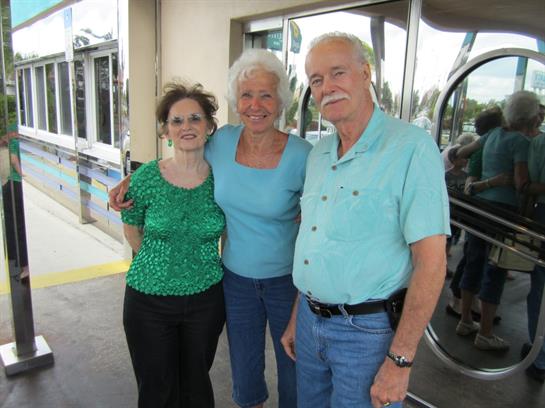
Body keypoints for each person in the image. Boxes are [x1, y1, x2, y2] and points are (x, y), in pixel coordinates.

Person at [111, 49, 312, 408]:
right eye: (247, 95)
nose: (255, 104)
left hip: (278, 282)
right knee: (242, 375)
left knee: (293, 371)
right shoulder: (221, 144)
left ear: (280, 99)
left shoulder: (301, 155)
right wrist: (130, 180)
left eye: (265, 94)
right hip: (229, 282)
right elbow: (173, 162)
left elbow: (323, 201)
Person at [280, 32, 450, 408]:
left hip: (368, 334)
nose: (328, 87)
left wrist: (400, 359)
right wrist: (298, 314)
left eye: (338, 72)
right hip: (309, 323)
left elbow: (432, 263)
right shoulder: (320, 152)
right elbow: (315, 242)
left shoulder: (411, 149)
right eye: (317, 80)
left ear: (365, 73)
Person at [121, 82, 226, 407]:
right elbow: (132, 231)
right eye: (176, 121)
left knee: (196, 385)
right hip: (148, 302)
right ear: (165, 129)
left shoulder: (224, 178)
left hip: (205, 300)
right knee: (157, 389)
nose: (186, 127)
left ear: (209, 126)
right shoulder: (147, 177)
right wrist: (160, 265)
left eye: (195, 118)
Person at [452, 90, 539, 351]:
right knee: (496, 269)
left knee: (474, 261)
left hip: (481, 207)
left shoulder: (490, 135)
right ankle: (486, 332)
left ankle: (466, 319)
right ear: (530, 117)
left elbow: (461, 153)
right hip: (503, 210)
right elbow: (521, 182)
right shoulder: (521, 143)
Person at [522, 102, 545, 382]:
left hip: (541, 211)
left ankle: (539, 355)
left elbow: (526, 183)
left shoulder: (537, 144)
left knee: (539, 285)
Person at [1, 123, 30, 281]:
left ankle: (21, 264)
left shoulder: (12, 143)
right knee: (18, 225)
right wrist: (22, 174)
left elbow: (12, 159)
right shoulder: (15, 143)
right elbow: (13, 160)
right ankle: (23, 265)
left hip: (10, 184)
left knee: (15, 225)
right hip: (15, 184)